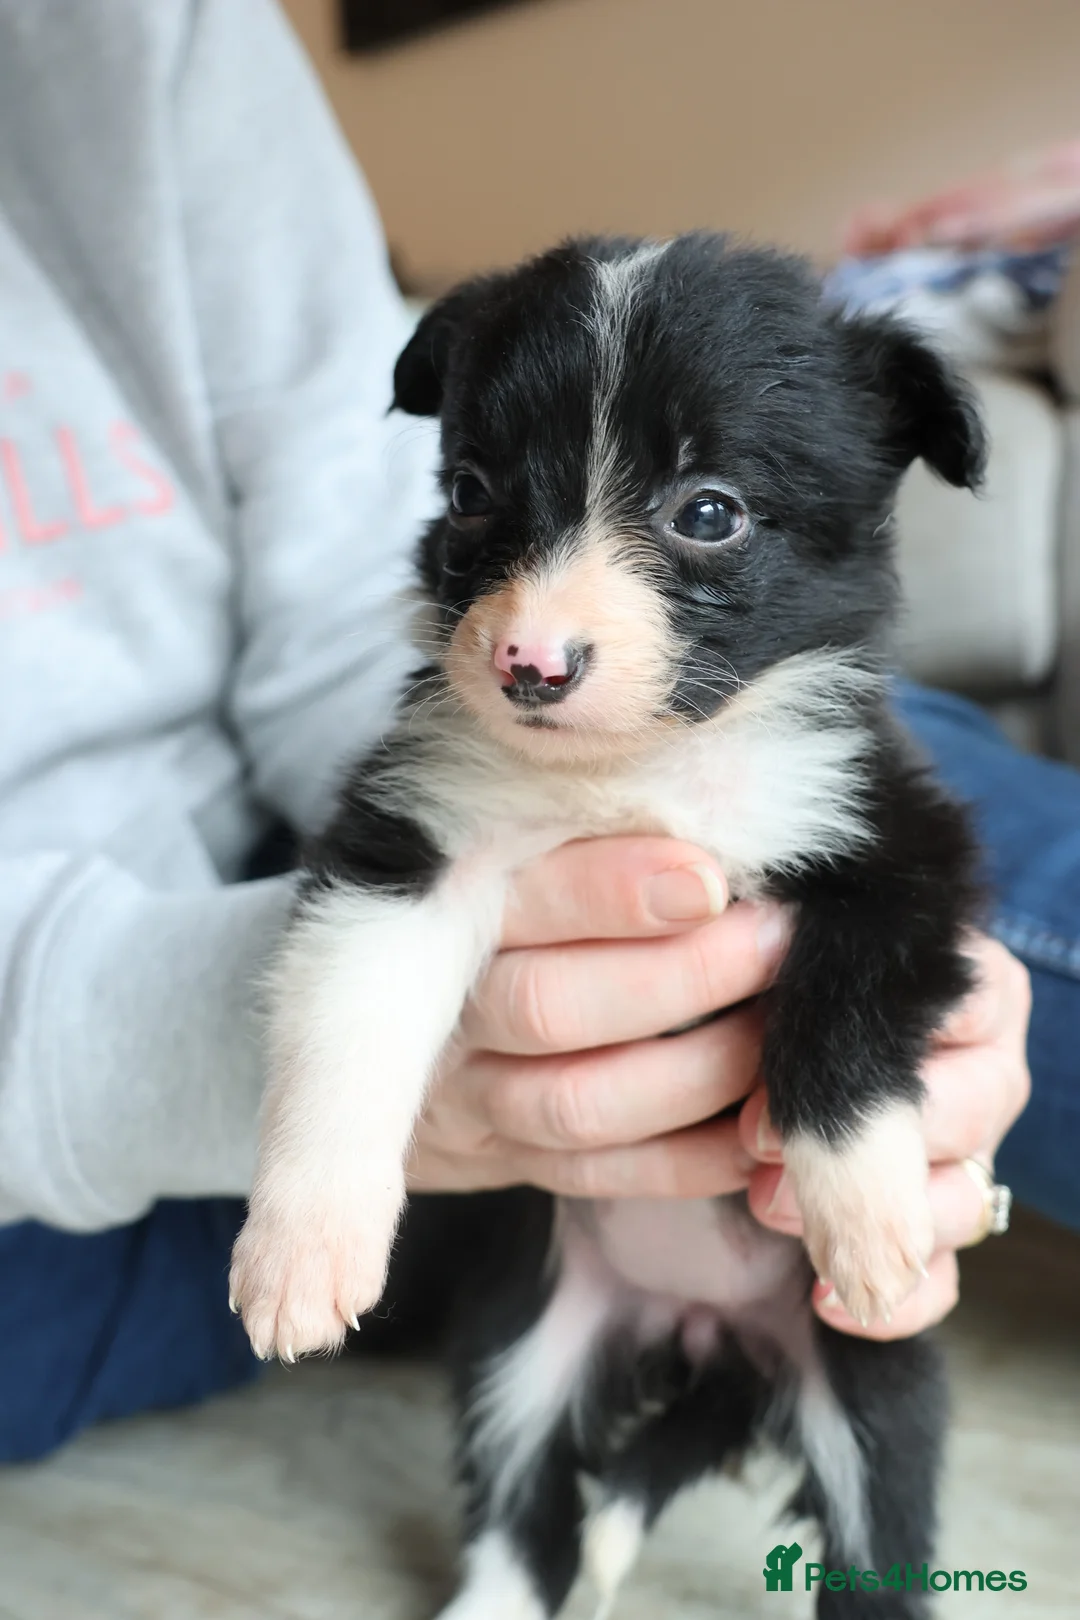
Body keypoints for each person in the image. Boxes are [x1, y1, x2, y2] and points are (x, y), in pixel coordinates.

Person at [0, 0, 1056, 1466]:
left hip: (614, 749)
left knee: (959, 867)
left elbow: (331, 624)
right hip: (67, 1145)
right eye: (483, 493)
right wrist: (328, 1155)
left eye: (702, 515)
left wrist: (860, 1105)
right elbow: (383, 890)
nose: (536, 631)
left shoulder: (129, 31)